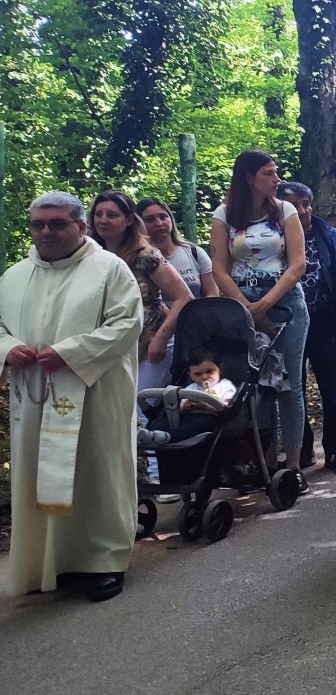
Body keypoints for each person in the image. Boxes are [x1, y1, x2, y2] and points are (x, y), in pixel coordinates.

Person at [1, 192, 142, 601]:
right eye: (38, 224)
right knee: (37, 471)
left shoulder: (109, 270)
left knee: (98, 472)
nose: (46, 232)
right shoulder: (13, 276)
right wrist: (8, 348)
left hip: (96, 392)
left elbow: (127, 324)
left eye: (57, 223)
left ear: (81, 227)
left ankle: (103, 562)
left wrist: (69, 353)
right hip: (35, 396)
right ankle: (51, 562)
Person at [210, 150, 310, 490]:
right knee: (259, 385)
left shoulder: (285, 210)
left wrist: (266, 304)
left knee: (288, 384)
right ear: (249, 178)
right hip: (242, 304)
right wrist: (245, 307)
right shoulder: (224, 215)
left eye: (275, 172)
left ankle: (293, 466)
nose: (276, 179)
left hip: (285, 304)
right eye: (269, 173)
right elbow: (219, 268)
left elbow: (298, 264)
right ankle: (266, 463)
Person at [279, 182, 336, 475]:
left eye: (306, 203)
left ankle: (335, 450)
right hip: (285, 324)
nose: (303, 210)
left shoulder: (330, 236)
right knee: (292, 389)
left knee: (333, 389)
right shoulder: (273, 238)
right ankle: (301, 451)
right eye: (295, 205)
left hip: (325, 322)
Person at [89, 191, 192, 391]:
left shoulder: (145, 255)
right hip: (115, 346)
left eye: (111, 215)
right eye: (98, 214)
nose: (103, 220)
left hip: (152, 344)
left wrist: (161, 340)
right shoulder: (93, 258)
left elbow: (184, 296)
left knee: (138, 405)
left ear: (128, 220)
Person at [139, 347, 238, 446]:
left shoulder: (226, 386)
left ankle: (168, 437)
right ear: (190, 376)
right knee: (165, 422)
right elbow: (180, 405)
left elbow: (226, 408)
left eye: (209, 371)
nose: (204, 377)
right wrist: (184, 406)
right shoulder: (191, 387)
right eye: (198, 374)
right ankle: (150, 434)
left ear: (220, 369)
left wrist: (206, 406)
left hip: (209, 417)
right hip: (187, 416)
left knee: (195, 426)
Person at [137, 197, 219, 302]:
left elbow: (212, 292)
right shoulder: (138, 259)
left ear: (171, 219)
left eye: (163, 217)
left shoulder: (194, 252)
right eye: (150, 220)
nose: (159, 223)